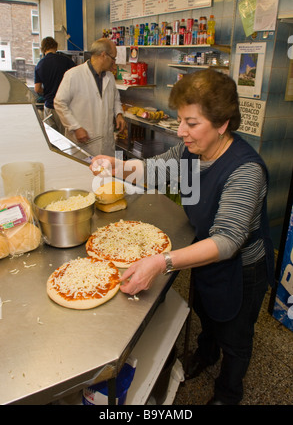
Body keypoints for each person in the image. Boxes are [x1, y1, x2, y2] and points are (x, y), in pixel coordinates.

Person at [90, 69, 275, 405]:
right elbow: (155, 168)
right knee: (206, 311)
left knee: (235, 334)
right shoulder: (193, 152)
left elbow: (227, 241)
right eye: (180, 121)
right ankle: (207, 352)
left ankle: (228, 391)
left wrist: (161, 262)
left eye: (191, 123)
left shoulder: (245, 170)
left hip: (241, 269)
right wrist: (117, 166)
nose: (181, 132)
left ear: (222, 124)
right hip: (203, 251)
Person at [54, 38, 125, 157]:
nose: (114, 63)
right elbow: (59, 103)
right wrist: (76, 127)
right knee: (82, 173)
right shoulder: (73, 75)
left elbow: (116, 98)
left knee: (105, 174)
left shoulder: (109, 77)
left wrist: (119, 114)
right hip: (83, 142)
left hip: (105, 143)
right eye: (113, 58)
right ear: (103, 55)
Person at [34, 37, 75, 131]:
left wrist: (48, 92)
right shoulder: (65, 60)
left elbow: (37, 89)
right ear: (55, 47)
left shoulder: (40, 65)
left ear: (43, 49)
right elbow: (78, 76)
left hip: (49, 106)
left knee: (52, 139)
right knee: (65, 139)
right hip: (63, 107)